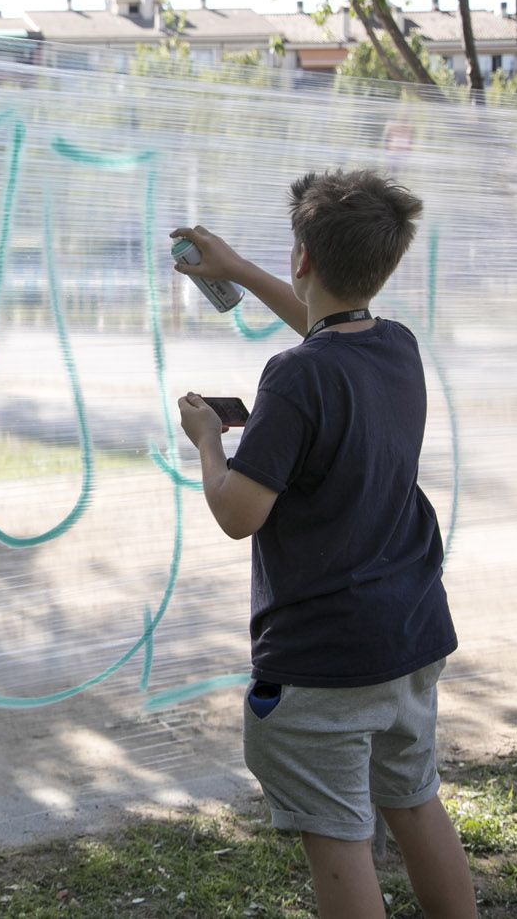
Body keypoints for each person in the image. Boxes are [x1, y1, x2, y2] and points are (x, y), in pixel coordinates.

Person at [171, 170, 477, 919]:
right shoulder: (396, 346)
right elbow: (324, 329)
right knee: (414, 802)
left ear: (302, 257)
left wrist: (209, 441)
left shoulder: (296, 377)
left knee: (338, 835)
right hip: (409, 637)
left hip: (325, 661)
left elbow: (239, 512)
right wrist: (238, 269)